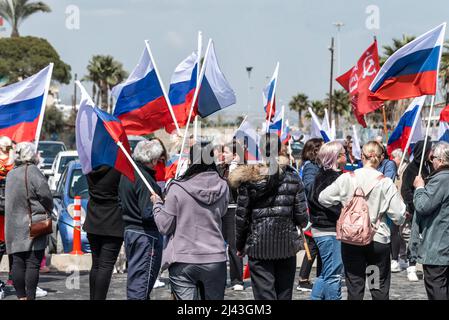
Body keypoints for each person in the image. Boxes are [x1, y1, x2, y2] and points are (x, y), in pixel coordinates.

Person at [319, 141, 406, 300]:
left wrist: (344, 208)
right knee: (377, 286)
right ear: (380, 158)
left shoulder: (347, 178)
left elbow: (323, 198)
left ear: (362, 156)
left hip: (352, 240)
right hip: (376, 240)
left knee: (355, 286)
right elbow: (399, 215)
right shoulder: (385, 182)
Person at [230, 134, 309, 300]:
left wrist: (239, 245)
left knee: (265, 298)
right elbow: (302, 218)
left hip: (258, 246)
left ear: (259, 150)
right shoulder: (293, 178)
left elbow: (241, 218)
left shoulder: (248, 180)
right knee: (284, 295)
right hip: (286, 245)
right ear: (280, 149)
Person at [152, 142, 229, 300]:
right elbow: (222, 212)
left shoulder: (177, 188)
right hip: (215, 257)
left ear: (190, 160)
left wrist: (157, 205)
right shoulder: (223, 186)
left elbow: (164, 226)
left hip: (183, 258)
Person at [5, 142, 53, 300]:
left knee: (17, 262)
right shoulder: (33, 171)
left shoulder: (11, 173)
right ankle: (30, 297)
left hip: (13, 226)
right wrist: (49, 209)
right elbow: (45, 195)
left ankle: (21, 297)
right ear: (31, 154)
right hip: (33, 224)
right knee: (33, 263)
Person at [118, 140, 164, 300]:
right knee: (141, 284)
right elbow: (148, 213)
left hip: (133, 231)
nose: (158, 163)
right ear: (152, 160)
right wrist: (161, 206)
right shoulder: (144, 180)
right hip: (145, 236)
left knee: (137, 281)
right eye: (157, 159)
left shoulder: (129, 173)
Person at [308, 141, 346, 300]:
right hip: (329, 230)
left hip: (325, 229)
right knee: (334, 275)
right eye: (343, 153)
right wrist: (344, 211)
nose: (346, 156)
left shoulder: (323, 174)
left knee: (327, 273)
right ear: (335, 157)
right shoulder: (330, 177)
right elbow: (320, 200)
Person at [413, 141, 449, 300]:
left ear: (440, 160)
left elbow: (423, 206)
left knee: (437, 289)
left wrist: (420, 188)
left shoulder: (441, 179)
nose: (430, 161)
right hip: (442, 245)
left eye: (432, 158)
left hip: (438, 246)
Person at [84, 163, 124, 300]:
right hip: (112, 220)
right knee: (105, 265)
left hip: (93, 219)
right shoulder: (117, 167)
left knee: (96, 264)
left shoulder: (89, 166)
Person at [401, 138, 433, 282]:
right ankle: (411, 266)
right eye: (429, 150)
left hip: (430, 208)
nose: (431, 153)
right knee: (414, 239)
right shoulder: (411, 169)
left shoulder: (430, 166)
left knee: (428, 238)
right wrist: (413, 205)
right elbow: (405, 190)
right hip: (416, 210)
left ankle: (427, 265)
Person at [216, 142, 245, 291]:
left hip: (233, 210)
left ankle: (236, 279)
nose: (223, 155)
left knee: (234, 247)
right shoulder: (220, 168)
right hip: (219, 211)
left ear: (234, 155)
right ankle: (218, 278)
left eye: (226, 152)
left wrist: (234, 168)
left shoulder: (242, 170)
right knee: (217, 247)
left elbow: (236, 188)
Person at [296, 138, 323, 292]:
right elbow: (309, 187)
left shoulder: (316, 166)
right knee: (311, 247)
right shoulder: (310, 167)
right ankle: (303, 279)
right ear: (315, 151)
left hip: (313, 211)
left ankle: (318, 278)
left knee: (316, 247)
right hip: (310, 211)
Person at [389, 148, 409, 273]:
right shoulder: (397, 169)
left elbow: (404, 189)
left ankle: (400, 259)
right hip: (397, 205)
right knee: (398, 233)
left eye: (394, 157)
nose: (392, 159)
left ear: (400, 158)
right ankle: (402, 257)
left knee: (401, 233)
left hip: (402, 205)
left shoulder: (405, 169)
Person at [0, 136, 14, 299]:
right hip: (3, 211)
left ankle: (13, 277)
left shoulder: (14, 160)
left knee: (12, 246)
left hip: (11, 209)